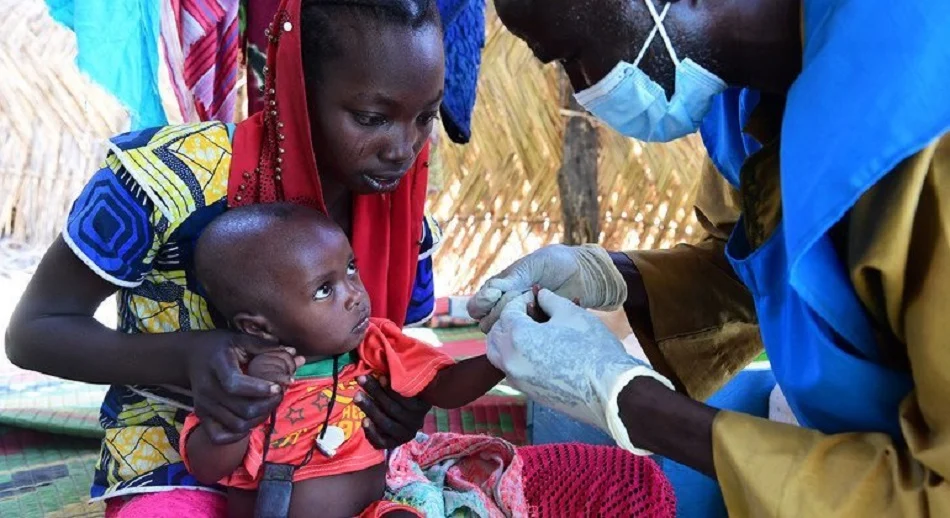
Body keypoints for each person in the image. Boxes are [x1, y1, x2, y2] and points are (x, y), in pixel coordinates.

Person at [472, 0, 950, 515]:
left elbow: (933, 493)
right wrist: (608, 277)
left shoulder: (926, 128)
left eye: (572, 54)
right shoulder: (744, 100)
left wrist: (626, 398)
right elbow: (766, 273)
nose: (586, 95)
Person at [5, 0, 446, 513]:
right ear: (298, 89)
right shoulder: (167, 184)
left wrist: (402, 405)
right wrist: (189, 355)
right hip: (174, 459)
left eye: (425, 116)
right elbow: (33, 331)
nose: (404, 147)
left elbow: (394, 359)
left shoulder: (403, 221)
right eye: (372, 118)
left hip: (343, 468)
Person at [180, 203, 505, 518]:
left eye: (351, 268)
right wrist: (248, 404)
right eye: (324, 290)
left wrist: (504, 356)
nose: (354, 294)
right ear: (257, 327)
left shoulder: (376, 344)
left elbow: (445, 386)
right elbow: (207, 467)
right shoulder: (239, 374)